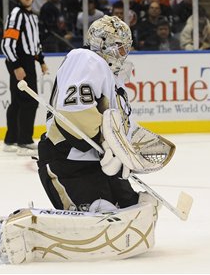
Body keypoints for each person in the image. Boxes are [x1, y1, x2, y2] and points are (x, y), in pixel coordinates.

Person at [35, 15, 162, 260]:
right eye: (122, 47)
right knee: (102, 216)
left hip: (95, 164)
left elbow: (116, 126)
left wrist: (127, 152)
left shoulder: (111, 78)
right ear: (105, 45)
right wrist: (107, 145)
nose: (125, 53)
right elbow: (74, 113)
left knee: (132, 208)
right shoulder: (86, 59)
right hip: (68, 162)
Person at [1, 0, 49, 156]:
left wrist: (41, 60)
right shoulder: (16, 14)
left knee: (18, 102)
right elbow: (7, 44)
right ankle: (24, 141)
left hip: (27, 61)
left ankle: (11, 140)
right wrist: (16, 66)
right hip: (19, 61)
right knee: (28, 101)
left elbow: (35, 44)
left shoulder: (32, 16)